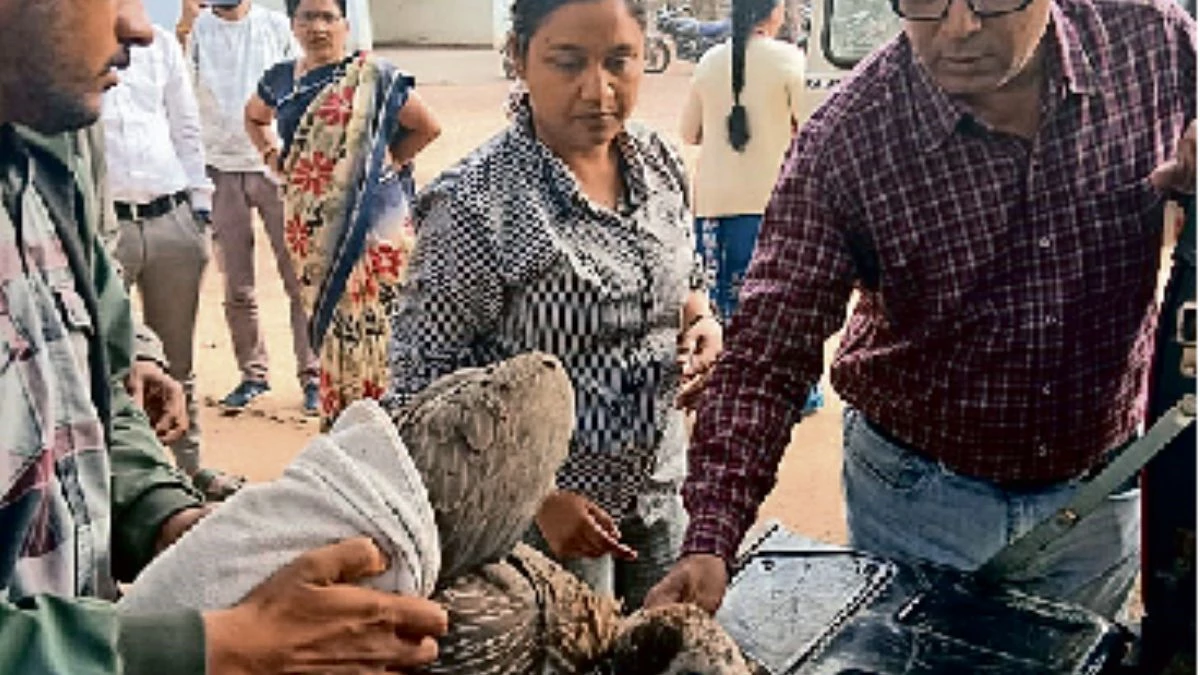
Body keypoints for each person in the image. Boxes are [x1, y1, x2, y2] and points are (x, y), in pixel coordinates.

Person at [646, 0, 1195, 621]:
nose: (958, 25)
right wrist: (712, 539)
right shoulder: (850, 138)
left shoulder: (1156, 45)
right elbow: (768, 354)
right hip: (919, 507)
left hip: (1100, 498)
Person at [0, 0, 447, 671]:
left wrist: (171, 522)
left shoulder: (44, 153)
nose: (141, 26)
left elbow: (82, 402)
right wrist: (214, 646)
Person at [385, 0, 722, 610]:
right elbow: (418, 389)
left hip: (659, 492)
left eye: (621, 61)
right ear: (518, 57)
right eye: (567, 63)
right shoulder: (475, 205)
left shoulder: (659, 162)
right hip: (542, 532)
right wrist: (537, 498)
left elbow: (685, 274)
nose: (599, 91)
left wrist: (699, 318)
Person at [244, 0, 442, 429]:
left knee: (388, 316)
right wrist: (270, 156)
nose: (317, 27)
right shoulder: (279, 80)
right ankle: (346, 420)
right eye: (306, 17)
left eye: (327, 17)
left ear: (344, 25)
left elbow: (427, 126)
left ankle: (396, 418)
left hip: (379, 222)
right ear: (292, 25)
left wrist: (389, 161)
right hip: (312, 227)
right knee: (333, 316)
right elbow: (254, 117)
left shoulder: (375, 77)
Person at [101, 21, 247, 499]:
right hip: (104, 228)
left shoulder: (159, 44)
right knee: (111, 359)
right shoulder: (78, 52)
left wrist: (198, 211)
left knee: (175, 357)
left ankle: (190, 470)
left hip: (171, 218)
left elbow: (185, 124)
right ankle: (129, 483)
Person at [176, 0, 323, 416]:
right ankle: (253, 375)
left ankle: (312, 376)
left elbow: (299, 87)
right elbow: (183, 87)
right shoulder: (198, 30)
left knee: (298, 278)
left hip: (274, 166)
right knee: (237, 285)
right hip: (219, 168)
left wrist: (289, 154)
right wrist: (185, 27)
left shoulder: (275, 27)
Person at [680, 0, 824, 416]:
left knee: (722, 307)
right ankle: (792, 395)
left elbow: (689, 132)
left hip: (712, 207)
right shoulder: (789, 61)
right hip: (772, 207)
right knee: (783, 304)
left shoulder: (709, 61)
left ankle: (727, 388)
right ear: (775, 12)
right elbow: (814, 127)